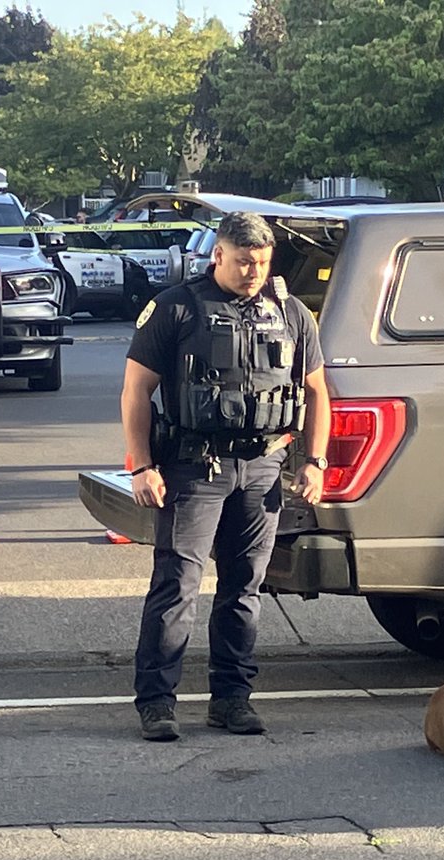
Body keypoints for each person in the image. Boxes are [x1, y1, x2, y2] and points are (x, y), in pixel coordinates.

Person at [121, 211, 330, 741]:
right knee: (178, 585)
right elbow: (135, 391)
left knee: (244, 589)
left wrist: (315, 460)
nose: (251, 272)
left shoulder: (291, 313)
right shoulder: (176, 308)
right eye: (242, 261)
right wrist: (141, 465)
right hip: (193, 467)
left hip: (261, 469)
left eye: (260, 262)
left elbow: (317, 392)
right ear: (219, 254)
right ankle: (157, 704)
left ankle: (232, 699)